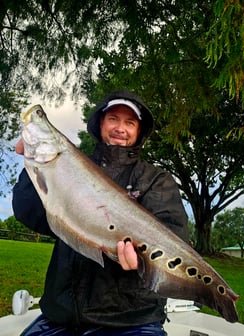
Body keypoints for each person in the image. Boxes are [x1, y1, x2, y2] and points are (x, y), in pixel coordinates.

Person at [12, 90, 189, 336]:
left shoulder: (156, 180)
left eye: (130, 122)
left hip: (131, 320)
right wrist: (34, 170)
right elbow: (31, 215)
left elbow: (174, 234)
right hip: (60, 316)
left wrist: (144, 262)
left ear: (139, 131)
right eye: (113, 118)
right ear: (100, 123)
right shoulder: (68, 164)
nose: (121, 128)